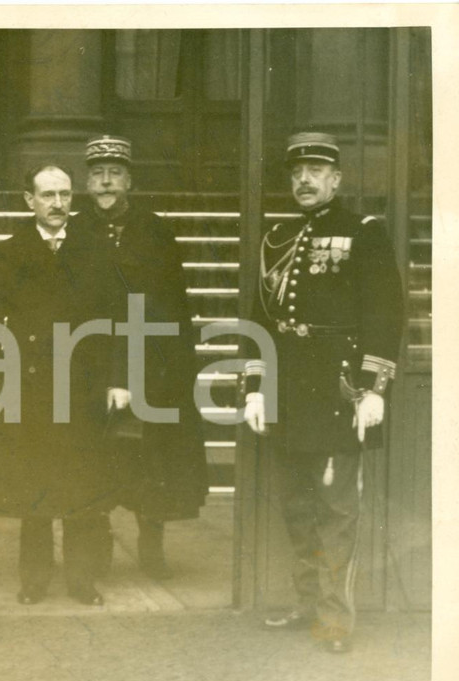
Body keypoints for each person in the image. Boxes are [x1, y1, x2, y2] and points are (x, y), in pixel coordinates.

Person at [244, 132, 404, 654]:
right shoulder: (277, 237)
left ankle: (335, 619)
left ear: (337, 179)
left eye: (316, 171)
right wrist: (254, 386)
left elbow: (386, 312)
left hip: (340, 389)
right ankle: (308, 602)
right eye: (297, 172)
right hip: (289, 387)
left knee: (337, 509)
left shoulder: (363, 231)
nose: (305, 180)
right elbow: (259, 319)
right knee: (297, 505)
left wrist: (374, 387)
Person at [0, 164, 123, 606]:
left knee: (82, 488)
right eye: (47, 195)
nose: (57, 204)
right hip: (30, 387)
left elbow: (120, 320)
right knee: (32, 488)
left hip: (85, 386)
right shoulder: (6, 254)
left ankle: (82, 581)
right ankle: (34, 580)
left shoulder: (96, 250)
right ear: (29, 201)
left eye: (64, 195)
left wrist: (119, 379)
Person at [77, 134, 208, 580]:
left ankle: (152, 548)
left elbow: (174, 302)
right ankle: (95, 554)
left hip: (147, 360)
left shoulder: (155, 230)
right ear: (87, 182)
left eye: (115, 173)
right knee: (94, 460)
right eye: (98, 174)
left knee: (151, 463)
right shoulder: (74, 230)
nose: (106, 182)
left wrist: (174, 367)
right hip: (91, 362)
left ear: (129, 180)